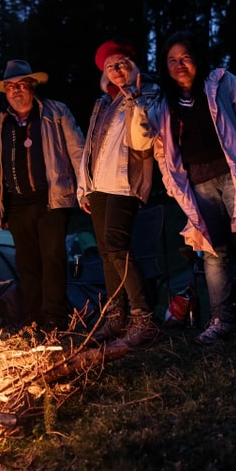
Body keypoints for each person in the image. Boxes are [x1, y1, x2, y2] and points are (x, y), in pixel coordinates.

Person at [149, 29, 236, 357]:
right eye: (171, 60)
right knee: (214, 253)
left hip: (234, 178)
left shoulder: (220, 82)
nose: (179, 65)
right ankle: (221, 320)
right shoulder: (165, 104)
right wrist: (172, 185)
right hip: (198, 186)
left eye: (184, 57)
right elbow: (160, 148)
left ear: (197, 57)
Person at [0, 60, 85, 333]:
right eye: (10, 86)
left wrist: (86, 189)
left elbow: (78, 152)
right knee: (27, 263)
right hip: (17, 204)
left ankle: (55, 319)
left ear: (32, 87)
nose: (16, 91)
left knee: (52, 258)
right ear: (5, 92)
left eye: (22, 85)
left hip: (51, 198)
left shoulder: (56, 112)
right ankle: (34, 321)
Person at [76, 38, 161, 347]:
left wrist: (137, 103)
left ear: (133, 65)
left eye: (121, 63)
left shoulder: (147, 95)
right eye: (110, 66)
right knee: (105, 251)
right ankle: (115, 317)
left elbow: (143, 142)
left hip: (126, 182)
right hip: (100, 185)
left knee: (116, 245)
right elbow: (90, 146)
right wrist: (85, 186)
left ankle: (143, 317)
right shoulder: (102, 103)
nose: (116, 69)